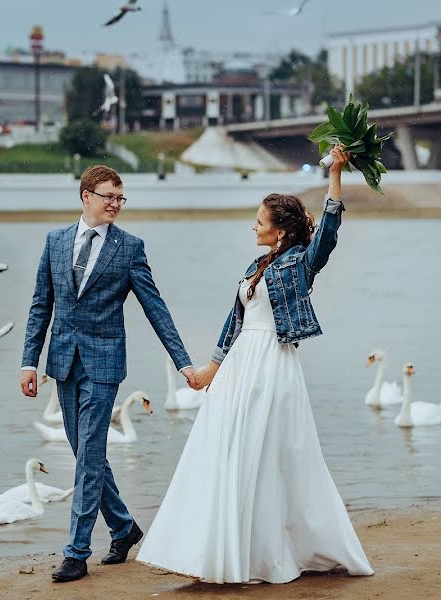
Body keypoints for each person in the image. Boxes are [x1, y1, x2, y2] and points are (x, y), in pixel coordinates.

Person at [136, 145, 374, 584]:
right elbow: (235, 319)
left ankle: (263, 553)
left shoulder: (301, 263)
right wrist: (211, 367)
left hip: (273, 365)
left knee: (263, 456)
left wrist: (336, 173)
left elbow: (329, 231)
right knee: (224, 449)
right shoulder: (255, 265)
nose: (253, 226)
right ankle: (214, 551)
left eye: (260, 222)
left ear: (281, 230)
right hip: (241, 363)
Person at [20, 165, 198, 583]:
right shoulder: (56, 241)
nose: (116, 204)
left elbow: (156, 308)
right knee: (87, 452)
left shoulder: (130, 248)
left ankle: (77, 552)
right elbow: (40, 305)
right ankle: (123, 527)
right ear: (86, 196)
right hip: (63, 362)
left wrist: (183, 362)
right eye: (108, 197)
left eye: (121, 198)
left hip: (103, 364)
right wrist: (29, 361)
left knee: (88, 456)